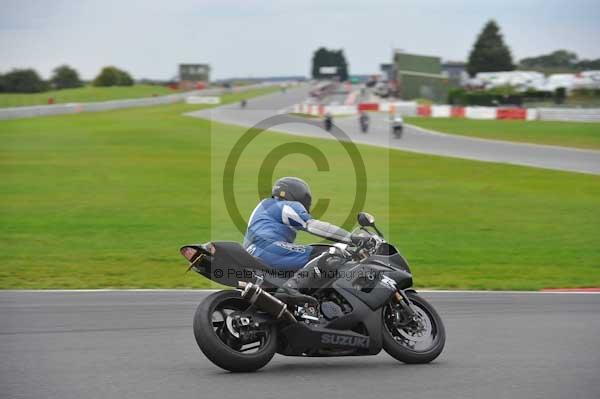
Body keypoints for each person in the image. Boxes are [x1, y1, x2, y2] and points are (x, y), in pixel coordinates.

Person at [243, 177, 359, 300]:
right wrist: (351, 238)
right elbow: (313, 226)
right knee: (328, 253)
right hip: (268, 249)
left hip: (251, 252)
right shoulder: (287, 205)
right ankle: (290, 287)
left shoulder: (263, 205)